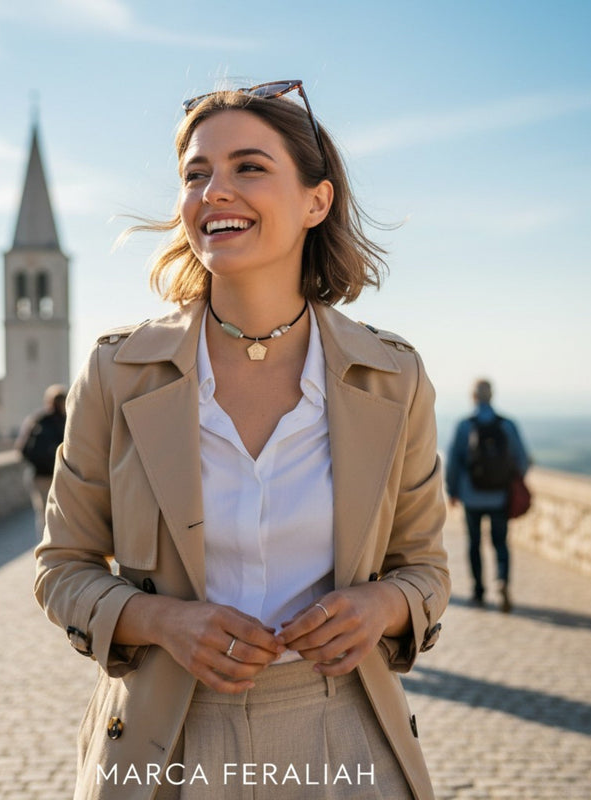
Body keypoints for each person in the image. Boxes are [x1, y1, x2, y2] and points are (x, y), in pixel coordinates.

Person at [35, 80, 450, 800]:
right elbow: (61, 568)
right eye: (197, 174)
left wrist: (381, 609)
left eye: (249, 168)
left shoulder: (394, 377)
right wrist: (162, 621)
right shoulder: (116, 373)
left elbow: (425, 569)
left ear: (316, 201)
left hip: (343, 736)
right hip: (167, 740)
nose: (214, 191)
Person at [446, 379, 529, 612]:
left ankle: (478, 591)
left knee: (474, 543)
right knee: (500, 542)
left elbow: (453, 462)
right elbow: (521, 459)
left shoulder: (465, 426)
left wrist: (452, 491)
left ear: (473, 397)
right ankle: (502, 580)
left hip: (471, 496)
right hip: (500, 495)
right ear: (492, 396)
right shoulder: (507, 425)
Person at [16, 383, 67, 537]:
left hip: (39, 475)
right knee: (63, 514)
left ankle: (45, 549)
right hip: (60, 475)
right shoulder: (68, 421)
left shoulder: (37, 420)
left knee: (44, 512)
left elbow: (22, 449)